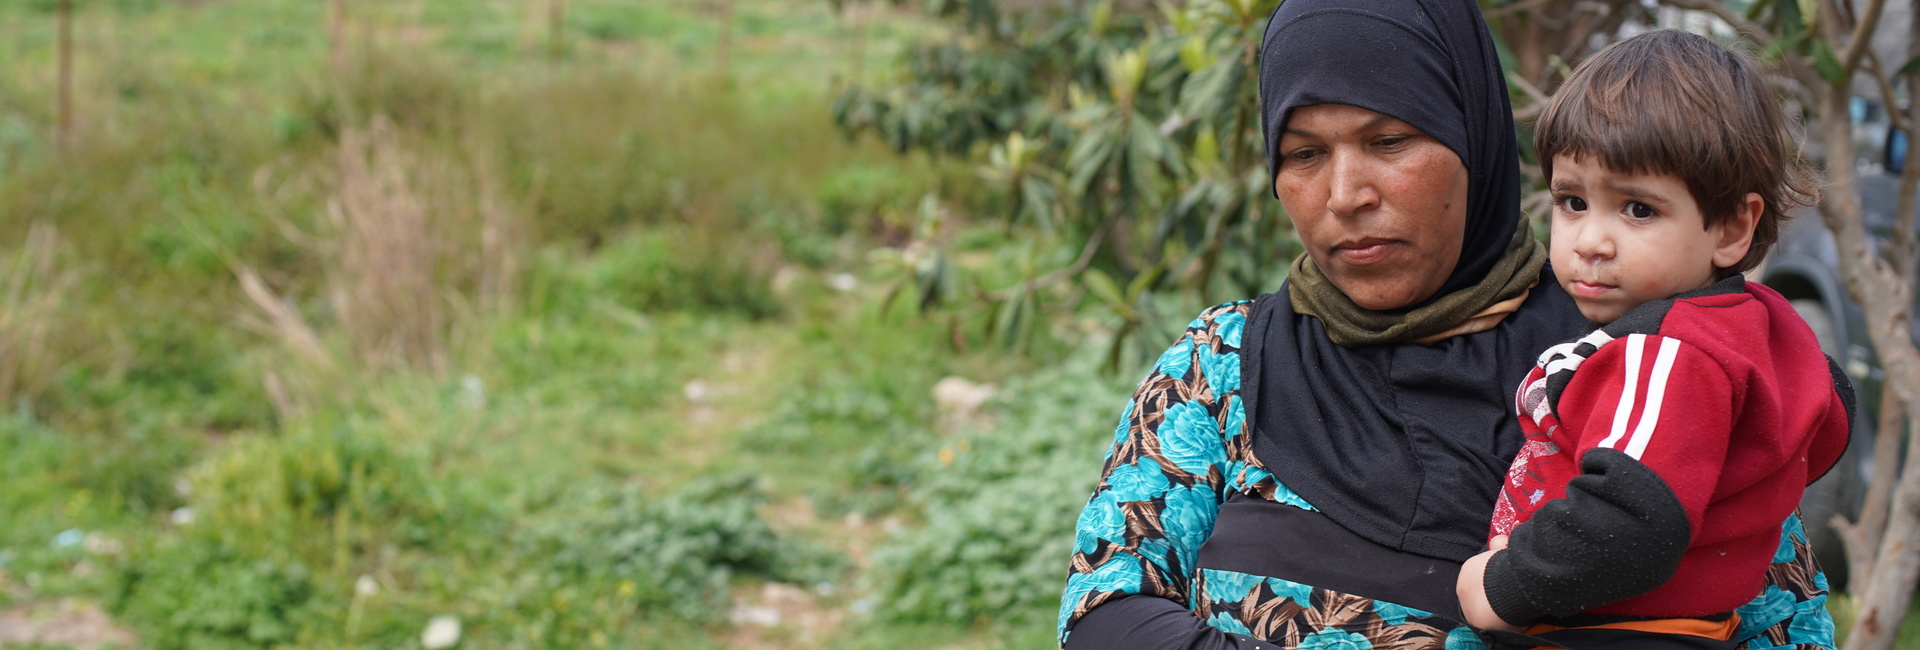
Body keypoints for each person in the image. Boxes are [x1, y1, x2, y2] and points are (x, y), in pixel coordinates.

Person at [1056, 1, 1840, 648]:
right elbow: (1105, 614)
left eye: (1388, 140)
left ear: (1474, 139)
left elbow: (1782, 624)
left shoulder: (1646, 357)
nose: (1344, 194)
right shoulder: (1223, 363)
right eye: (1302, 154)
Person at [1451, 31, 1852, 650]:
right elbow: (1827, 418)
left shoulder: (1666, 352)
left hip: (1604, 626)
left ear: (1731, 228)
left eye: (1637, 209)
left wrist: (1501, 587)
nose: (1590, 240)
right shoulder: (1760, 326)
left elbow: (1630, 516)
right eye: (1573, 201)